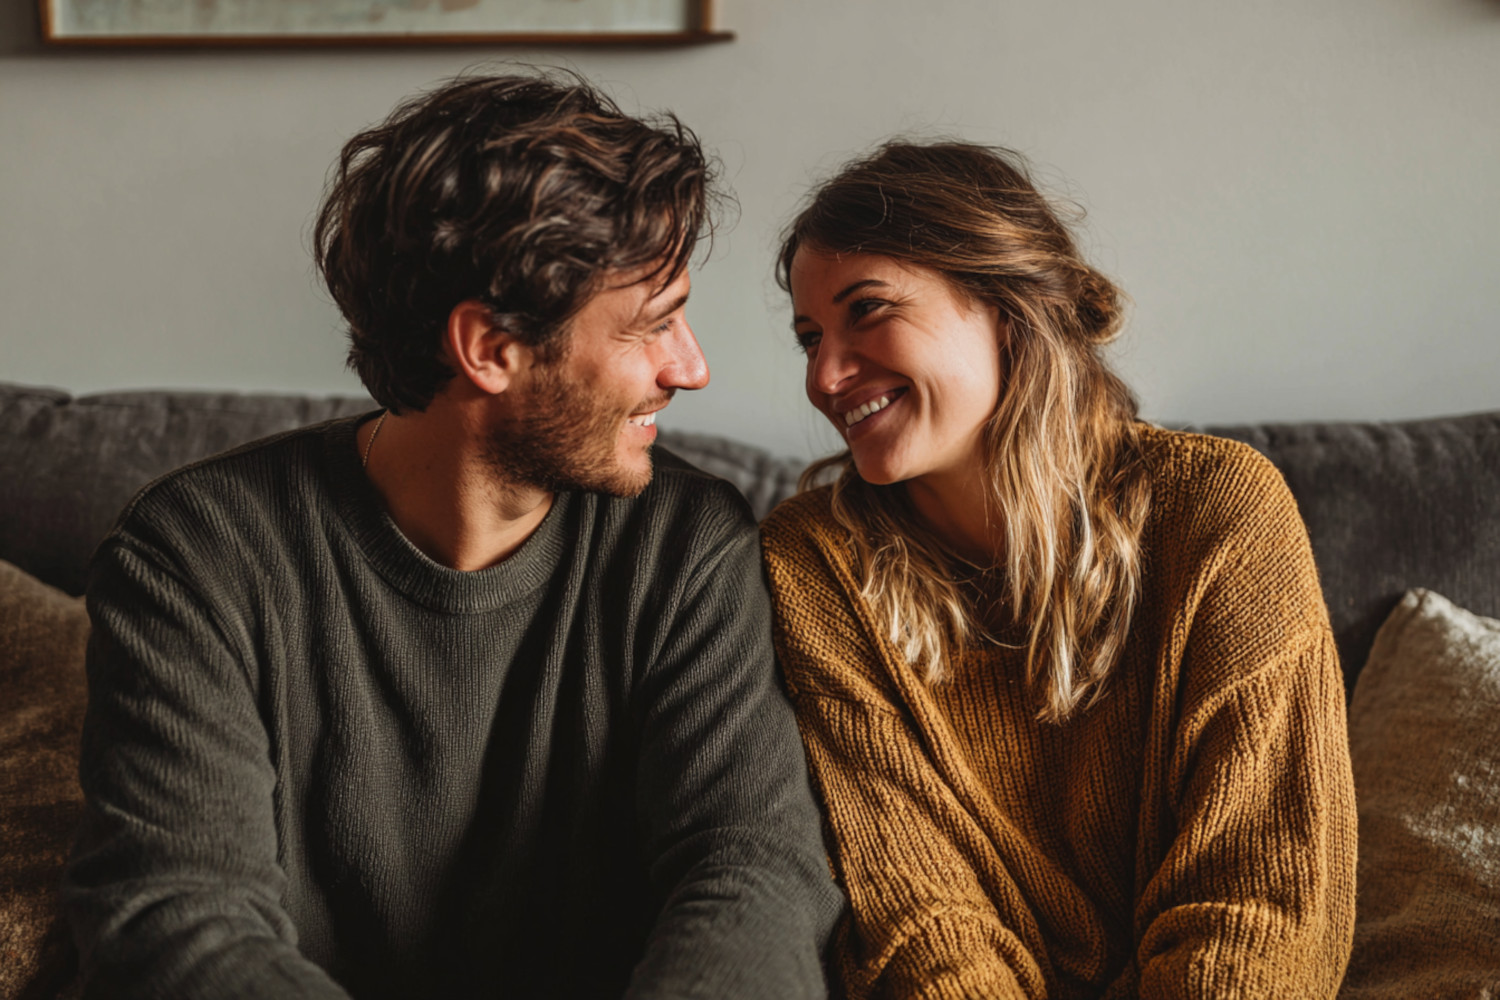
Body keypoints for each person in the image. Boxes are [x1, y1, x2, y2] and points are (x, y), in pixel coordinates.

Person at [64, 72, 842, 999]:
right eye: (654, 325)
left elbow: (754, 872)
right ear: (488, 349)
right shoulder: (196, 552)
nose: (693, 367)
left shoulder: (685, 544)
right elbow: (173, 918)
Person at [761, 141, 1357, 998]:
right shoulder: (812, 564)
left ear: (1005, 308)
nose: (825, 375)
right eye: (810, 338)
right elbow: (918, 918)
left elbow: (1263, 895)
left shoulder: (1220, 511)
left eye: (868, 312)